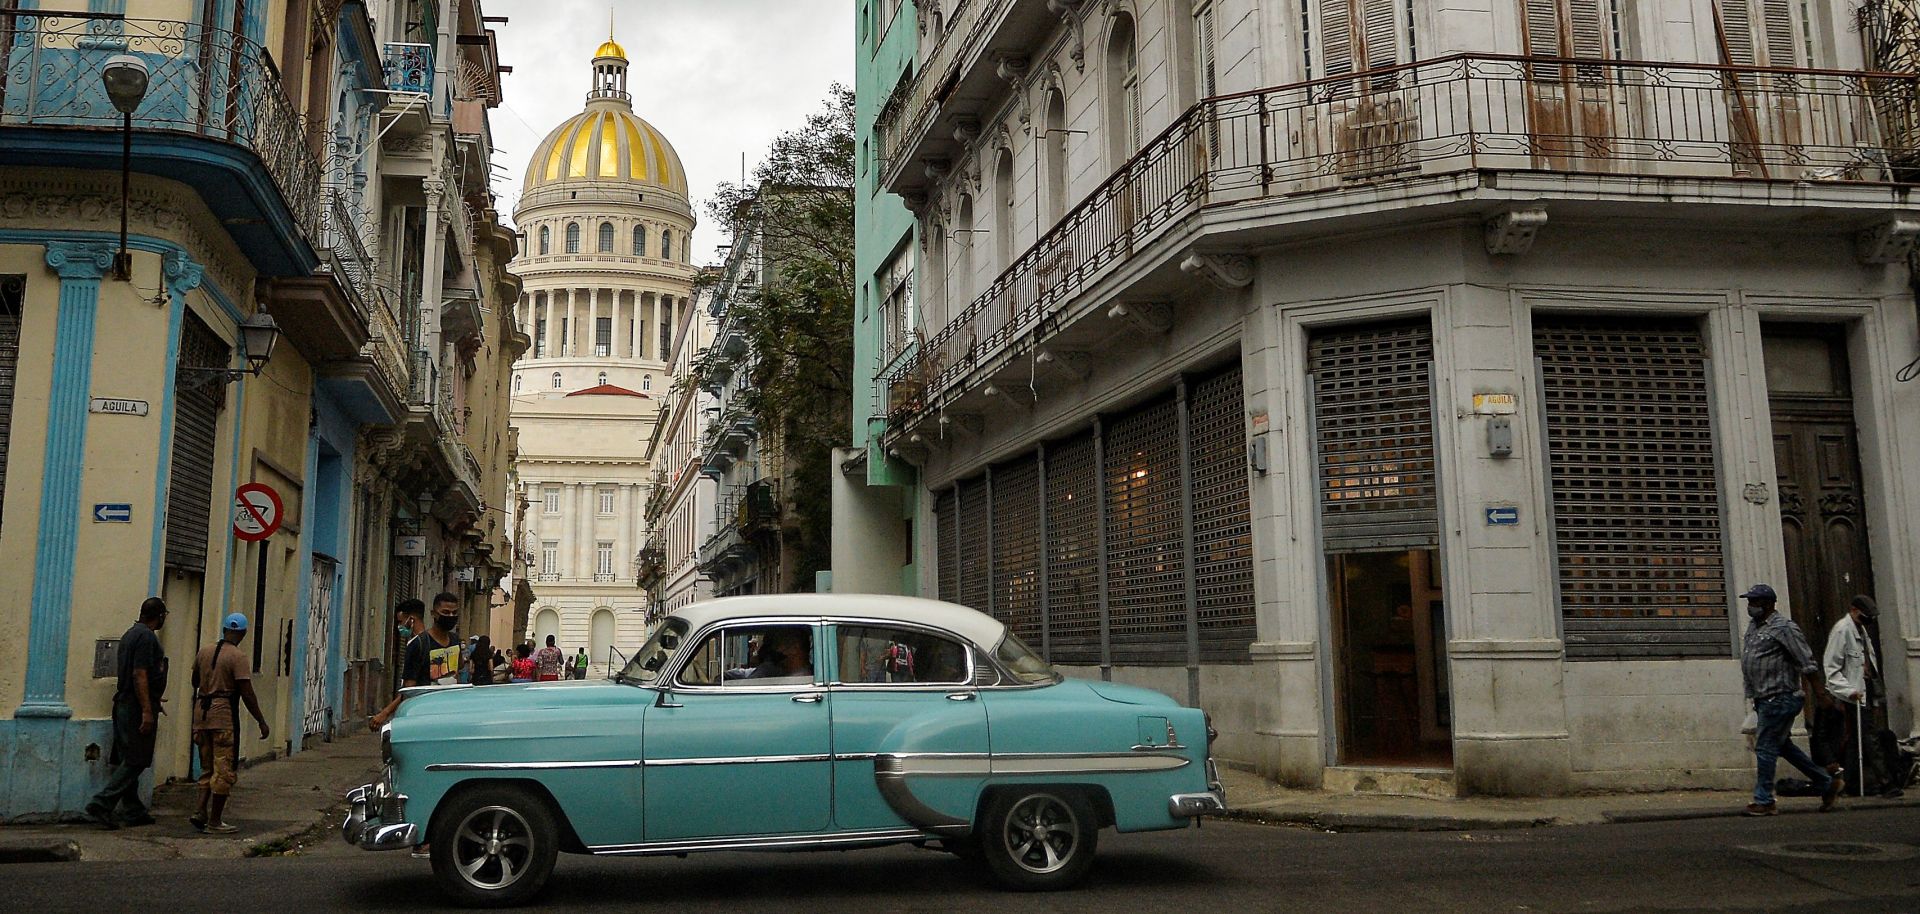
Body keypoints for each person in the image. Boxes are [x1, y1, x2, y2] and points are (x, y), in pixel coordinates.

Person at [1739, 584, 1841, 815]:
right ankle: (1826, 783)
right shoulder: (1754, 627)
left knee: (1765, 747)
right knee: (1782, 746)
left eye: (1754, 602)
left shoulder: (1784, 627)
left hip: (1781, 697)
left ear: (1767, 604)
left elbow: (1806, 661)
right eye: (1749, 602)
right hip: (1764, 698)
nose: (1750, 606)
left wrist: (1820, 693)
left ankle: (1764, 800)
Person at [85, 597, 170, 830]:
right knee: (137, 758)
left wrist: (153, 699)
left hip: (125, 702)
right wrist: (146, 709)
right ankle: (102, 803)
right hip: (134, 706)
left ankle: (133, 810)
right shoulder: (145, 637)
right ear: (160, 616)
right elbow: (139, 674)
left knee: (127, 756)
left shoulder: (130, 634)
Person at [190, 613, 270, 834]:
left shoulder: (204, 651)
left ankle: (199, 810)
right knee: (223, 768)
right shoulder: (238, 657)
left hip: (201, 714)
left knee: (206, 766)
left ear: (224, 629)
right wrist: (261, 721)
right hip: (223, 715)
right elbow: (246, 692)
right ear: (243, 633)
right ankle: (215, 821)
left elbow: (194, 681)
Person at [371, 593, 463, 729]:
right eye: (445, 612)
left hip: (449, 714)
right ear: (434, 614)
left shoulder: (455, 641)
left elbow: (457, 674)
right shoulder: (418, 644)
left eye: (454, 613)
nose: (450, 617)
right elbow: (409, 690)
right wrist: (386, 714)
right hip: (424, 715)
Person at [1815, 595, 1880, 784]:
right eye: (1863, 616)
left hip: (1862, 688)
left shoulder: (1861, 630)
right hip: (1849, 691)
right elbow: (1831, 666)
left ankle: (1853, 782)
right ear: (1853, 610)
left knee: (1857, 737)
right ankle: (1886, 782)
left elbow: (1867, 662)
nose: (1867, 621)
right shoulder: (1842, 630)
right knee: (1866, 736)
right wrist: (1847, 691)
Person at [724, 628, 813, 680]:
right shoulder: (780, 672)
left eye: (777, 644)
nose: (774, 650)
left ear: (794, 648)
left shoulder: (800, 679)